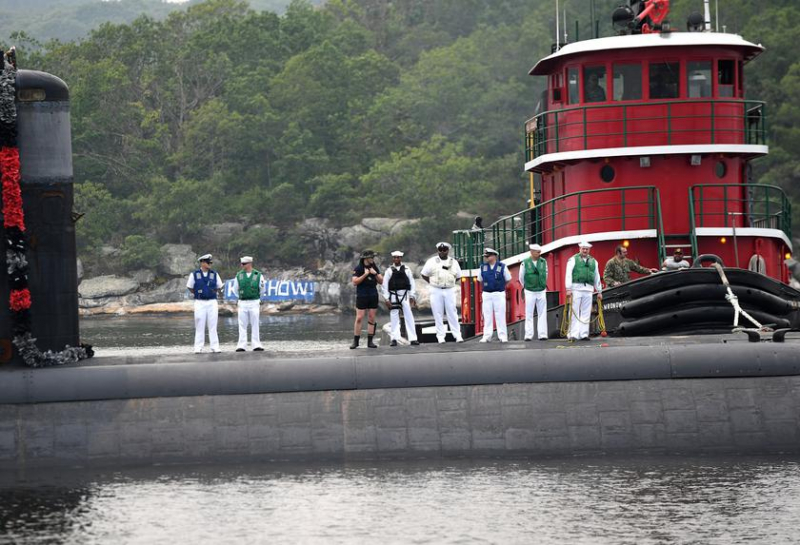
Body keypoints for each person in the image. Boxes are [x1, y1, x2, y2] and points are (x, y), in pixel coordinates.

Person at [421, 242, 465, 343]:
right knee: (438, 313)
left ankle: (457, 335)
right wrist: (431, 282)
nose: (442, 252)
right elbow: (424, 274)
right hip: (436, 289)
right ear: (438, 251)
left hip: (449, 289)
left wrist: (451, 282)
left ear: (448, 251)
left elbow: (458, 275)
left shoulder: (453, 262)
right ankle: (440, 337)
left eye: (444, 250)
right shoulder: (431, 261)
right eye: (440, 250)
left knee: (452, 312)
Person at [565, 241, 602, 341]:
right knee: (574, 311)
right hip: (576, 288)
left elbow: (596, 276)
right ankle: (573, 334)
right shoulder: (573, 260)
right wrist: (568, 288)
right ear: (579, 249)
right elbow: (568, 274)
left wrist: (599, 291)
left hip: (588, 289)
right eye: (583, 248)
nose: (585, 250)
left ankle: (583, 334)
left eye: (587, 249)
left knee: (586, 312)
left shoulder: (594, 261)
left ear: (589, 250)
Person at [186, 253, 223, 353]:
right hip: (199, 302)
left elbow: (219, 286)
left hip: (212, 302)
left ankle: (215, 347)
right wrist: (199, 294)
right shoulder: (194, 274)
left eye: (210, 262)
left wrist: (211, 293)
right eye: (207, 262)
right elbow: (190, 287)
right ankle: (198, 347)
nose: (209, 264)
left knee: (213, 326)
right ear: (202, 262)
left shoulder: (214, 274)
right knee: (199, 325)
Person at [382, 250, 419, 347]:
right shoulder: (389, 271)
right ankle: (394, 338)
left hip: (405, 295)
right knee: (394, 317)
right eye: (395, 257)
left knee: (409, 316)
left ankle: (413, 338)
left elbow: (412, 283)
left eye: (398, 257)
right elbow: (385, 285)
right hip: (394, 295)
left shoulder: (407, 269)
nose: (396, 259)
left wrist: (412, 296)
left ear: (400, 258)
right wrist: (386, 299)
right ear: (392, 258)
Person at [351, 249, 383, 349]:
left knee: (372, 317)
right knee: (359, 317)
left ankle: (370, 341)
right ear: (366, 258)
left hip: (373, 294)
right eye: (371, 257)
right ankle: (356, 341)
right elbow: (354, 282)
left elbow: (381, 281)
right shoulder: (358, 268)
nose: (373, 259)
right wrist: (365, 274)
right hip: (362, 295)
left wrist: (375, 274)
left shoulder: (374, 267)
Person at [232, 256, 265, 352]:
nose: (242, 265)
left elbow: (262, 289)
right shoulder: (239, 275)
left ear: (249, 264)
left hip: (254, 301)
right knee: (242, 324)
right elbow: (235, 289)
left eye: (244, 264)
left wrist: (257, 298)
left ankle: (256, 344)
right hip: (242, 302)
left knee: (255, 324)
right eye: (242, 264)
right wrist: (241, 297)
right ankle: (241, 345)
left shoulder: (258, 275)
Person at [479, 248, 511, 343]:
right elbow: (480, 279)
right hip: (487, 294)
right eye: (485, 256)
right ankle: (487, 336)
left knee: (500, 315)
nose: (486, 258)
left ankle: (503, 336)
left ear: (494, 256)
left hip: (498, 293)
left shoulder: (502, 266)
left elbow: (508, 279)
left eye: (488, 256)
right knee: (487, 315)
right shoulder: (482, 267)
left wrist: (500, 286)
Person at [519, 243, 548, 341]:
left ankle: (542, 334)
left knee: (542, 312)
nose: (539, 254)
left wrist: (542, 283)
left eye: (540, 252)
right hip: (530, 290)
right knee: (529, 313)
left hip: (541, 290)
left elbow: (546, 274)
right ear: (531, 252)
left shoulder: (544, 262)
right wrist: (526, 286)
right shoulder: (525, 263)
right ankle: (528, 335)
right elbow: (521, 277)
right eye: (537, 252)